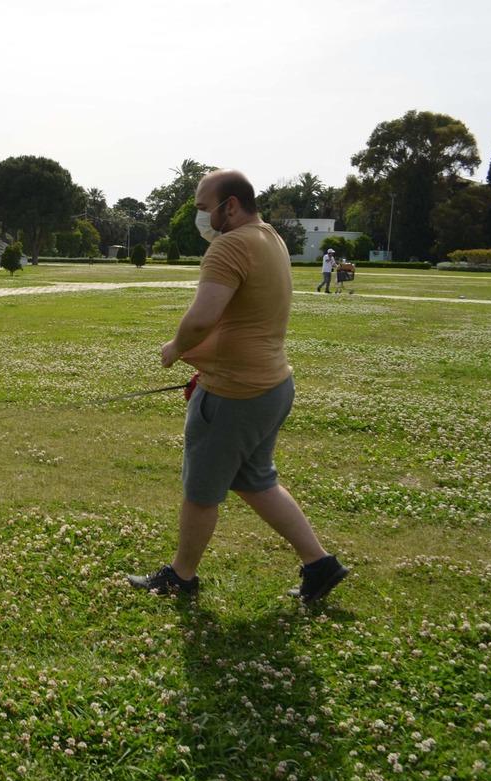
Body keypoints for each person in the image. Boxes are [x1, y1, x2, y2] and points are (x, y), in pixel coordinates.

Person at [128, 169, 348, 603]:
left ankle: (181, 577)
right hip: (273, 385)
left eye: (204, 208)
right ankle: (320, 565)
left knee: (201, 489)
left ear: (231, 205)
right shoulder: (270, 238)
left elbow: (203, 317)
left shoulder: (230, 245)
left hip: (234, 392)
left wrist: (175, 347)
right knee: (256, 481)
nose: (201, 217)